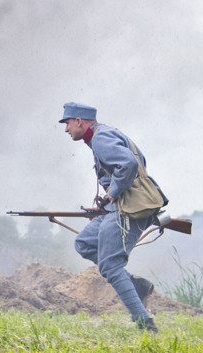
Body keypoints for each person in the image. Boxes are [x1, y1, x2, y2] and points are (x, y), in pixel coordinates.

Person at [60, 102, 166, 332]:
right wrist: (109, 200)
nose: (66, 129)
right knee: (85, 243)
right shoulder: (105, 134)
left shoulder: (100, 138)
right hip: (120, 207)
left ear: (79, 121)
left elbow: (128, 164)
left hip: (128, 209)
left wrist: (112, 196)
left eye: (67, 123)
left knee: (110, 265)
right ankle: (135, 285)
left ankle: (145, 324)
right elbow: (137, 163)